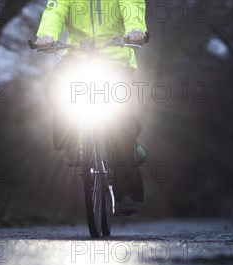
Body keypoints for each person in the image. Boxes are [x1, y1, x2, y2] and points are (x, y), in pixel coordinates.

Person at [35, 0, 149, 214]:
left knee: (122, 122)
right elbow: (56, 9)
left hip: (116, 59)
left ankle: (125, 193)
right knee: (55, 88)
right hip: (78, 56)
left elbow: (131, 5)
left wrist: (135, 30)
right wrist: (46, 35)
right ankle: (72, 141)